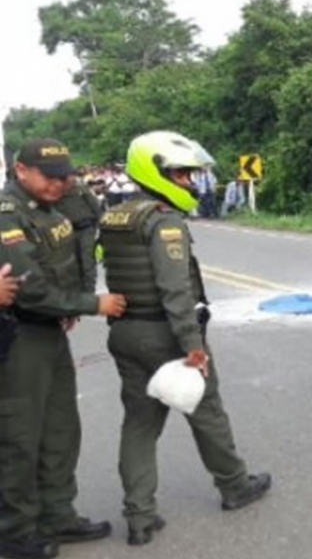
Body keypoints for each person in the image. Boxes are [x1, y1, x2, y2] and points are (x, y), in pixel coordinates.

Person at [98, 131, 271, 547]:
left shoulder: (116, 217)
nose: (189, 182)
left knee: (139, 424)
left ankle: (139, 517)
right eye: (179, 174)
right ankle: (234, 485)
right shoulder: (164, 222)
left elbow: (101, 266)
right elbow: (176, 291)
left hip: (124, 331)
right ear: (153, 172)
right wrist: (192, 344)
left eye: (189, 174)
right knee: (206, 411)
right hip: (164, 333)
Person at [0, 138, 127, 559]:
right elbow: (29, 288)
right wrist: (91, 304)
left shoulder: (53, 210)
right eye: (50, 176)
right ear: (21, 171)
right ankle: (15, 531)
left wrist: (69, 300)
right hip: (20, 337)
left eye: (65, 177)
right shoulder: (8, 216)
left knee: (60, 430)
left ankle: (57, 515)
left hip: (50, 331)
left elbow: (64, 263)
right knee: (20, 435)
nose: (60, 184)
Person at [54, 174, 103, 293]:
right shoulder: (57, 193)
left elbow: (95, 206)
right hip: (69, 231)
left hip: (87, 228)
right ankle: (79, 290)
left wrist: (102, 226)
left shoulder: (81, 189)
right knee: (74, 262)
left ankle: (89, 291)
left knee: (87, 261)